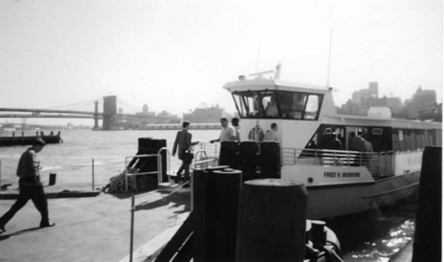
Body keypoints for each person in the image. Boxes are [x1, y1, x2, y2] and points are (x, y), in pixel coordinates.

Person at [0, 138, 55, 234]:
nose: (40, 150)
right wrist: (38, 173)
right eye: (41, 148)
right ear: (37, 145)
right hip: (33, 184)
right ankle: (45, 221)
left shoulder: (25, 153)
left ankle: (1, 222)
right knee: (43, 202)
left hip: (23, 183)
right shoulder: (32, 153)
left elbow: (20, 171)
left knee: (17, 205)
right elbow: (33, 169)